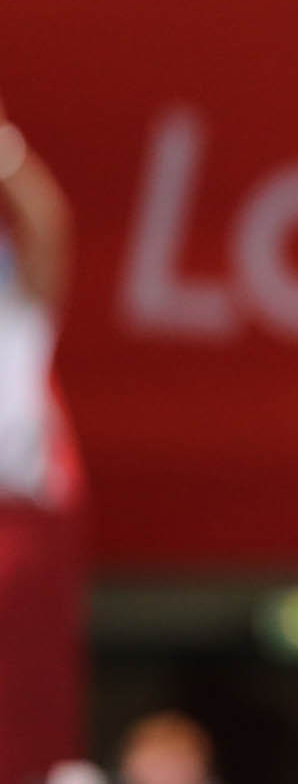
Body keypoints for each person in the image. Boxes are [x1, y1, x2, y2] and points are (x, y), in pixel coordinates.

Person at [0, 92, 83, 782]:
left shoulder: (17, 305)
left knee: (25, 706)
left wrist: (4, 150)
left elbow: (48, 223)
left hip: (19, 516)